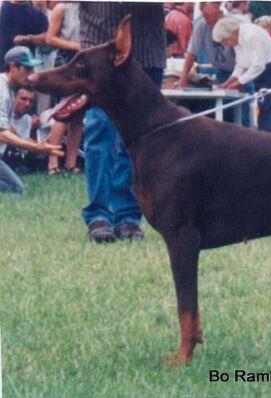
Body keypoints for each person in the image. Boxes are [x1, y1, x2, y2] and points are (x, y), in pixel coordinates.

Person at [79, 2, 166, 243]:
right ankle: (98, 214)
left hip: (146, 50)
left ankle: (128, 215)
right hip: (101, 48)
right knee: (100, 132)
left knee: (137, 140)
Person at [0, 46, 62, 192]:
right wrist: (34, 147)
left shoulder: (8, 89)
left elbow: (6, 126)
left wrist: (32, 141)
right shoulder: (2, 90)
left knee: (15, 189)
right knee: (15, 189)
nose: (31, 74)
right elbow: (1, 133)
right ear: (13, 67)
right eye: (27, 69)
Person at [213, 17, 271, 133]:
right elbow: (241, 65)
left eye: (225, 40)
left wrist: (238, 82)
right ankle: (265, 142)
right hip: (261, 73)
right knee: (263, 111)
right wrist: (228, 82)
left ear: (233, 33)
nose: (226, 44)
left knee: (269, 112)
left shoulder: (251, 35)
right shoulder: (237, 40)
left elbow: (259, 65)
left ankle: (269, 144)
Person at [45, 1, 82, 174]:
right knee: (63, 113)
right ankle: (52, 162)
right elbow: (50, 38)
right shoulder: (62, 8)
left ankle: (71, 163)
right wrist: (74, 45)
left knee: (78, 114)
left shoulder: (88, 8)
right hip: (67, 61)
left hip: (83, 62)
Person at [0, 0, 48, 72]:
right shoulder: (1, 7)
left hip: (23, 68)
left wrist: (28, 38)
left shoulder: (37, 15)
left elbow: (47, 39)